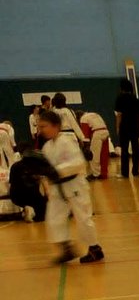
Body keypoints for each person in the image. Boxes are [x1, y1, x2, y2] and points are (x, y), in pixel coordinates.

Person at [37, 109, 104, 264]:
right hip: (57, 187)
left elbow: (78, 163)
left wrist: (57, 170)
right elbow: (46, 169)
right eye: (40, 127)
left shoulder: (67, 141)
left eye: (44, 126)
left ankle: (95, 249)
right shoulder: (47, 147)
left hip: (75, 185)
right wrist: (43, 179)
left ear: (56, 126)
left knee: (83, 218)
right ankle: (67, 249)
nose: (41, 130)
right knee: (54, 217)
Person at [113, 78, 139, 179]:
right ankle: (136, 172)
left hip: (124, 126)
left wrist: (117, 127)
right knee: (135, 150)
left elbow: (119, 114)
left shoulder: (120, 98)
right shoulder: (135, 99)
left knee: (124, 150)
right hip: (135, 126)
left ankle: (124, 173)